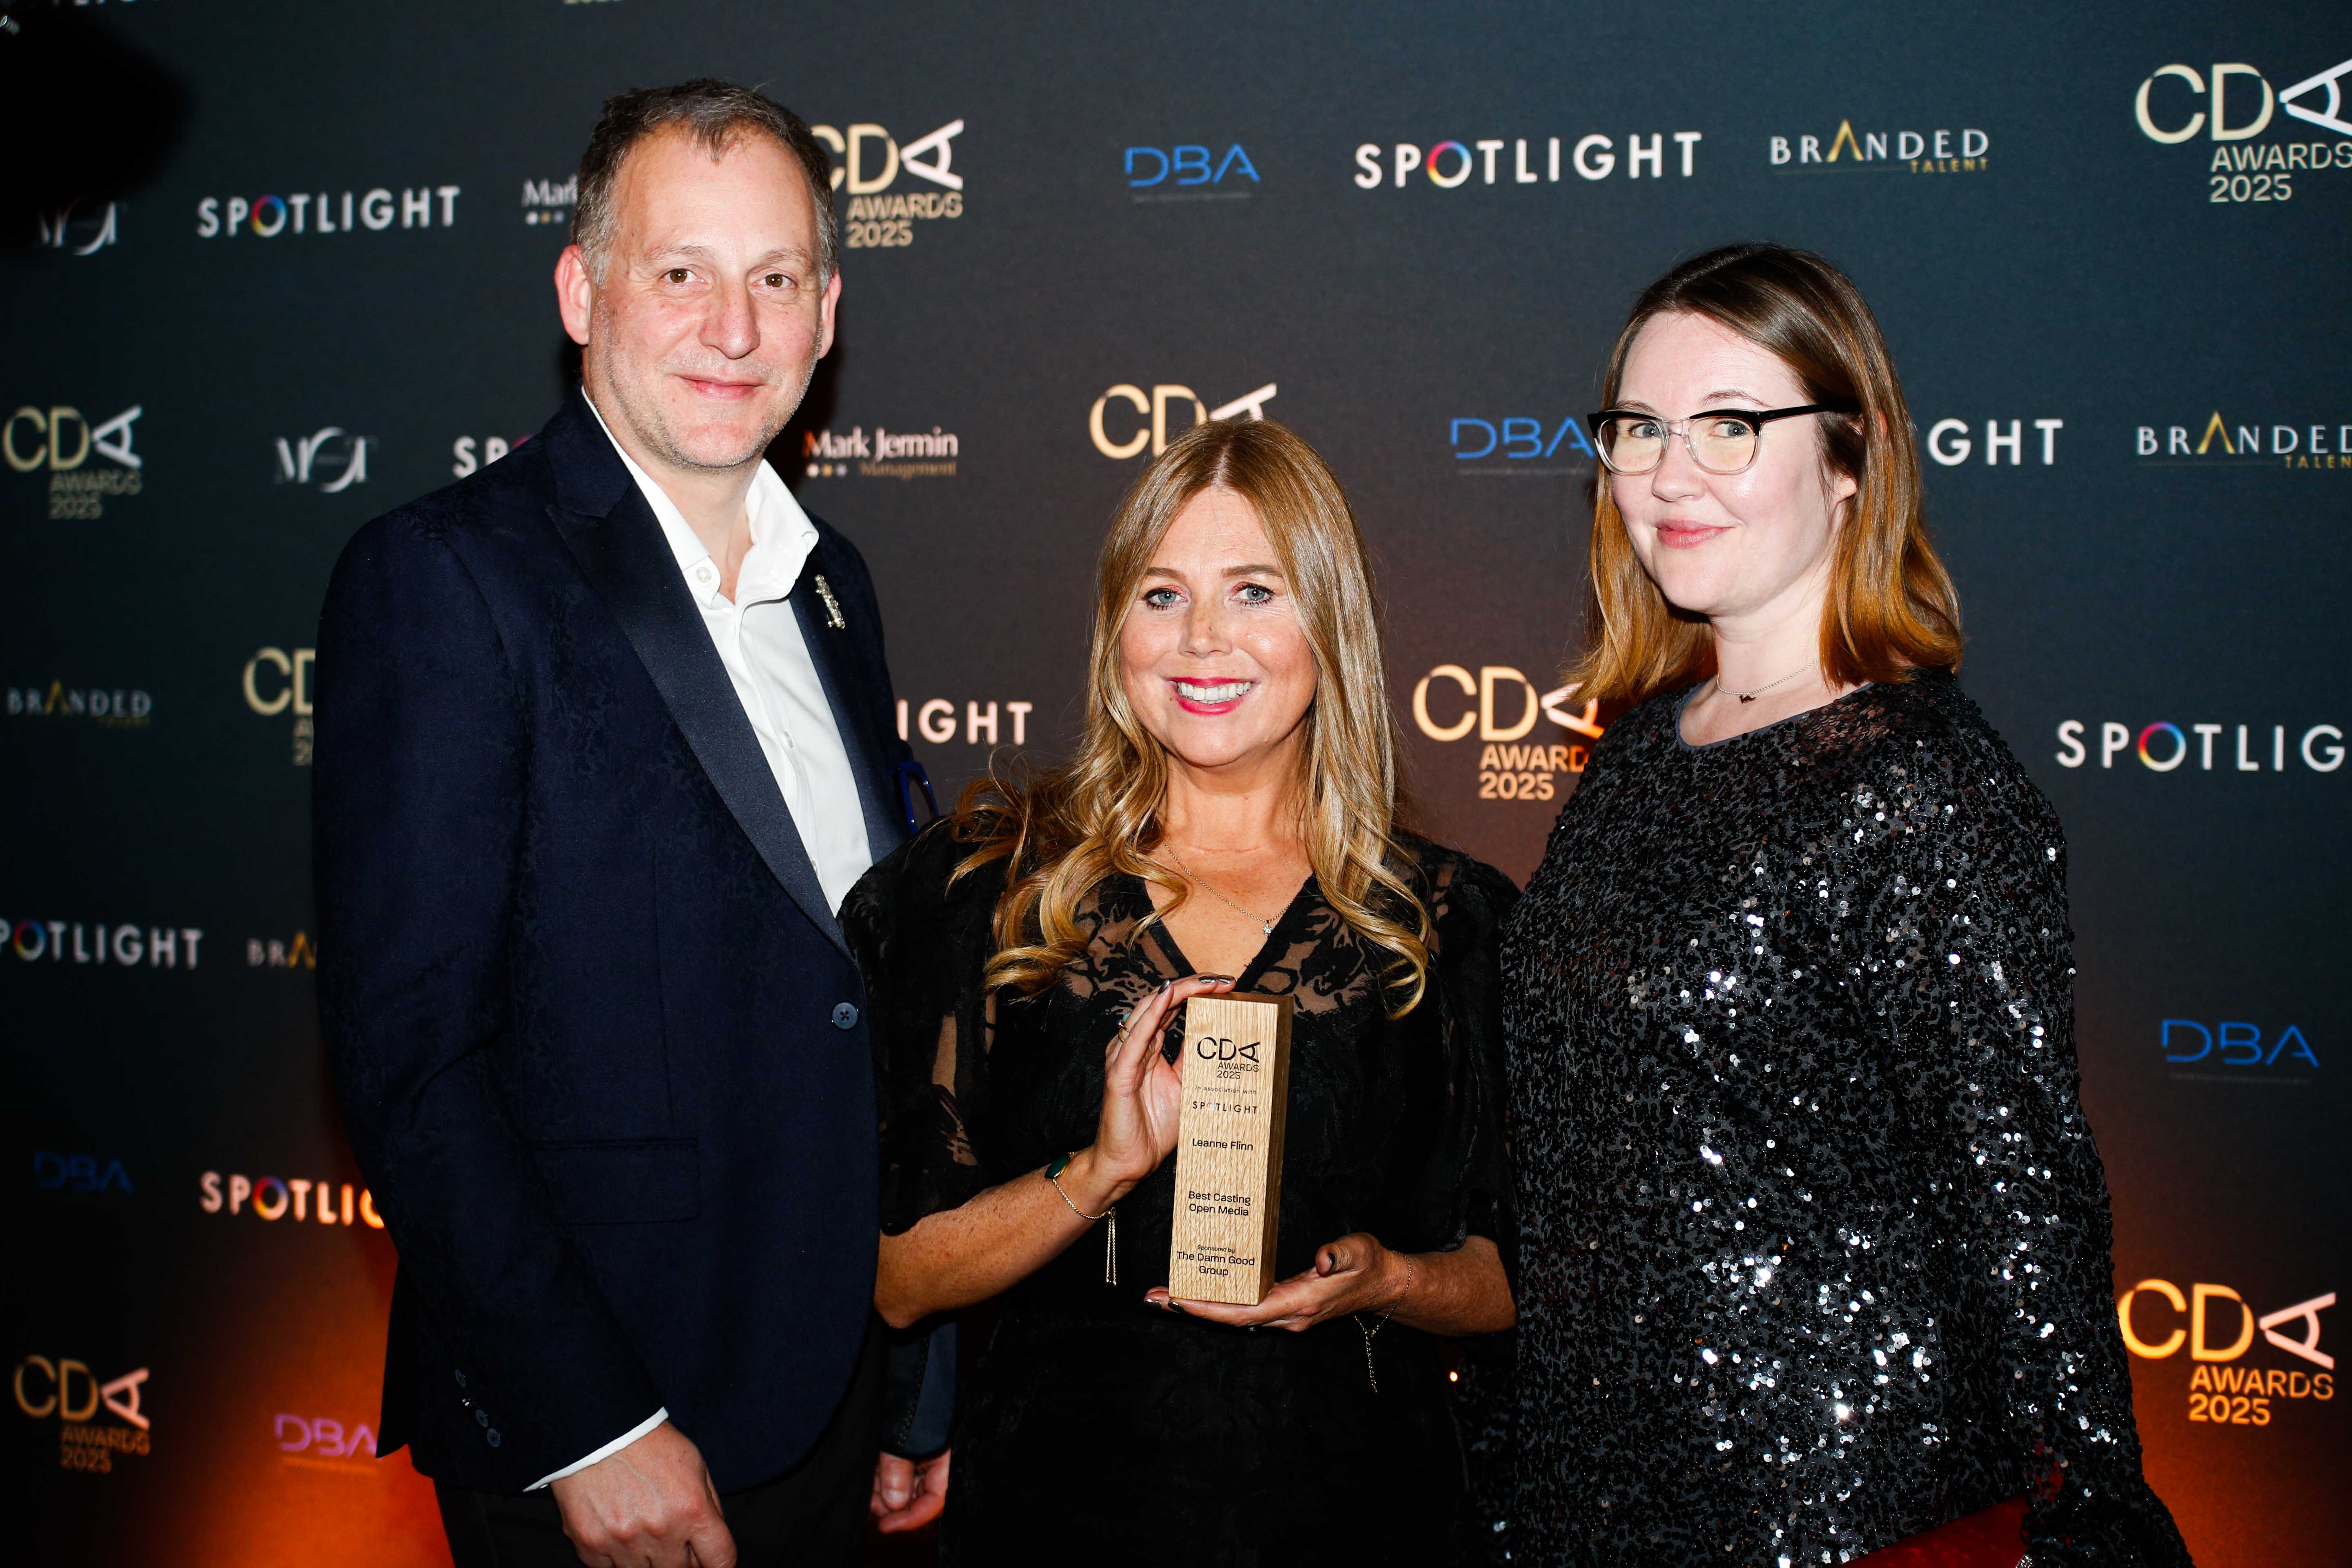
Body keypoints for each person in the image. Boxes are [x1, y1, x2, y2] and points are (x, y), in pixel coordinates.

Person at [314, 80, 949, 1568]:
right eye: (681, 273)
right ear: (581, 292)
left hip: (829, 1392)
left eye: (776, 279)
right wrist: (588, 1430)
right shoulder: (446, 576)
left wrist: (910, 1380)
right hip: (611, 1428)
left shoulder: (836, 583)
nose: (734, 328)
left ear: (828, 312)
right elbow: (412, 1060)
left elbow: (862, 1006)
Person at [1500, 244, 2191, 1566]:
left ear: (1849, 459)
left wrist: (2091, 1520)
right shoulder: (1636, 760)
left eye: (1730, 426)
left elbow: (2021, 1201)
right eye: (1639, 428)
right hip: (1593, 1496)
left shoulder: (1922, 788)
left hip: (1832, 1513)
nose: (1669, 474)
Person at [842, 417, 1519, 1564]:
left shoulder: (1449, 923)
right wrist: (1098, 1172)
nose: (1203, 639)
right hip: (1059, 1512)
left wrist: (1389, 1280)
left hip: (1361, 1512)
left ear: (1330, 624)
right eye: (1162, 596)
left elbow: (1511, 1281)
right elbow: (900, 1281)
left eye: (1255, 591)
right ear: (1116, 631)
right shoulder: (990, 892)